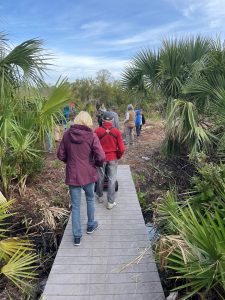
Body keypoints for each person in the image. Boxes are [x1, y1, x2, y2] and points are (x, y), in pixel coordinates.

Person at [57, 111, 105, 246]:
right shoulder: (92, 136)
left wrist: (70, 161)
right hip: (88, 174)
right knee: (90, 198)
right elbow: (101, 156)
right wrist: (95, 164)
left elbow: (60, 155)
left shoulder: (66, 135)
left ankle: (77, 236)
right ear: (88, 121)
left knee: (76, 206)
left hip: (73, 174)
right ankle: (90, 225)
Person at [95, 111, 125, 209]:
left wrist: (96, 155)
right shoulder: (116, 132)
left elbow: (93, 146)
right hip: (112, 157)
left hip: (101, 158)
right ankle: (110, 202)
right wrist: (118, 156)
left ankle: (100, 196)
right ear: (113, 120)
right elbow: (122, 148)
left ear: (102, 120)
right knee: (112, 179)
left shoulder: (97, 131)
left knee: (100, 177)